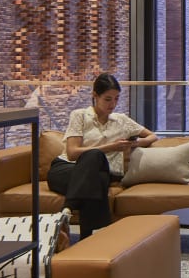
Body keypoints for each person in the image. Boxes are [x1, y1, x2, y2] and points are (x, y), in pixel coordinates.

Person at [49, 73, 158, 239]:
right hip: (66, 170)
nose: (113, 104)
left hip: (99, 173)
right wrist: (111, 147)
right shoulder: (79, 116)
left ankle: (67, 211)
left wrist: (133, 145)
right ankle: (93, 239)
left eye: (116, 99)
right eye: (108, 99)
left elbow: (152, 136)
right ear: (95, 96)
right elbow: (72, 153)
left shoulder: (121, 120)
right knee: (94, 162)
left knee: (96, 172)